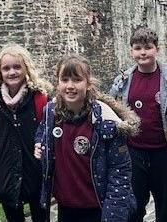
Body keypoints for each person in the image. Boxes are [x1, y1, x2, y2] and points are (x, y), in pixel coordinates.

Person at [34, 54, 139, 222]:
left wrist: (113, 216)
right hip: (66, 207)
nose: (70, 86)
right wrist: (39, 142)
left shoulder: (105, 119)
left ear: (88, 83)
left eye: (77, 80)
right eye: (65, 79)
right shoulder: (50, 113)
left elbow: (120, 171)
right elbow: (41, 132)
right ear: (58, 82)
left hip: (99, 207)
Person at [109, 26, 167, 222]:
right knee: (133, 208)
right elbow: (109, 109)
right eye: (138, 48)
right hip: (133, 152)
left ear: (156, 49)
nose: (143, 52)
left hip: (164, 153)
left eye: (148, 47)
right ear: (131, 51)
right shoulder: (123, 80)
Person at [0, 44, 51, 222]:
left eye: (17, 67)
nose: (12, 72)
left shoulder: (40, 99)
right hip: (6, 177)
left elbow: (50, 136)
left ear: (26, 68)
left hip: (36, 176)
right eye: (6, 68)